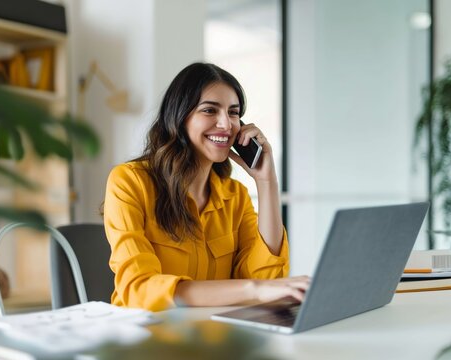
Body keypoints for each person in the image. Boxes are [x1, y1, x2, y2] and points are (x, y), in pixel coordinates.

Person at [103, 62, 309, 311]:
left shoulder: (235, 196)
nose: (226, 124)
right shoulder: (129, 182)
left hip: (213, 335)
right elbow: (139, 289)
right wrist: (253, 290)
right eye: (210, 110)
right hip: (146, 334)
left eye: (233, 113)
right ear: (180, 117)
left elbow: (268, 282)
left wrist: (267, 183)